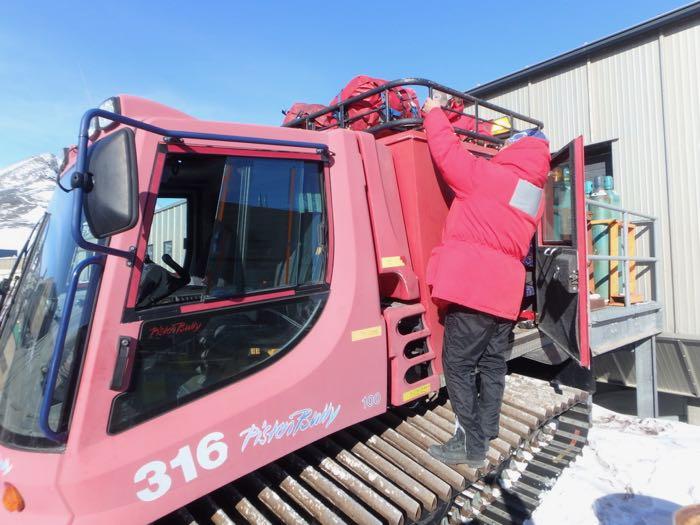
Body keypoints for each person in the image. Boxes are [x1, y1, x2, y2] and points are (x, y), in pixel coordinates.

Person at [422, 97, 550, 467]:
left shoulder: (488, 177)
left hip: (473, 287)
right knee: (493, 364)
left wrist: (433, 112)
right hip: (505, 293)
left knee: (458, 365)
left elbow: (447, 154)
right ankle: (488, 428)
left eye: (506, 144)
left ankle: (470, 446)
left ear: (516, 148)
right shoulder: (532, 195)